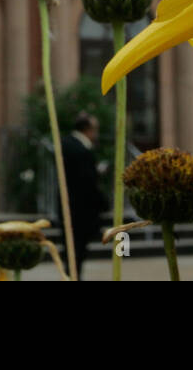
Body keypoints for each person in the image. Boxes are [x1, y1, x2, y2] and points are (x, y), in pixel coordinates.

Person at [58, 112, 106, 280]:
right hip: (80, 210)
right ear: (88, 129)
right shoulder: (79, 149)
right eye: (95, 129)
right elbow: (86, 181)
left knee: (73, 253)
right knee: (76, 252)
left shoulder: (67, 143)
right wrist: (102, 202)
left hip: (70, 207)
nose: (96, 133)